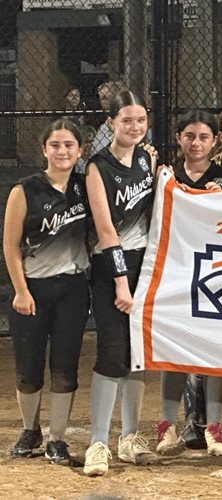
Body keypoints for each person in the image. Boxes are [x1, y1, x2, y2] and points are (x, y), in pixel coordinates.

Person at [3, 119, 90, 465]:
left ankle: (56, 438)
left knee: (65, 365)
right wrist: (21, 291)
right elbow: (9, 246)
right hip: (33, 288)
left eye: (69, 145)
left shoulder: (87, 186)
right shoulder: (25, 190)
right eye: (55, 145)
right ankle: (30, 429)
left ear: (80, 150)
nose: (62, 151)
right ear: (44, 150)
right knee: (28, 367)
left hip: (73, 286)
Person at [82, 90, 158, 476]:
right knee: (112, 351)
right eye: (126, 120)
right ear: (111, 122)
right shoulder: (98, 166)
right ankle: (98, 442)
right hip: (111, 265)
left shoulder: (146, 158)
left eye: (140, 120)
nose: (134, 126)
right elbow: (106, 230)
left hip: (143, 262)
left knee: (137, 353)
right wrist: (121, 283)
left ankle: (129, 437)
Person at [155, 110, 222, 458]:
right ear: (179, 139)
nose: (196, 143)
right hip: (177, 271)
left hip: (218, 272)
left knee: (214, 350)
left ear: (215, 140)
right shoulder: (166, 175)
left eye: (204, 137)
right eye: (189, 136)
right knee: (174, 351)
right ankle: (166, 424)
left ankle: (214, 426)